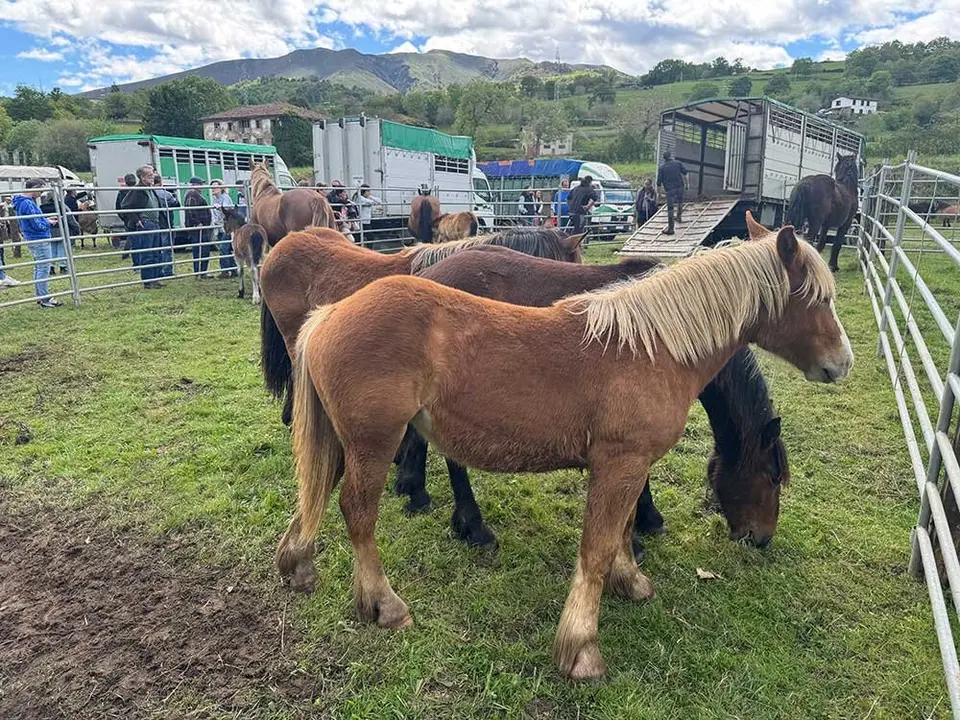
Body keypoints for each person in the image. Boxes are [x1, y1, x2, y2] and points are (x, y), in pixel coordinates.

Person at [13, 178, 62, 307]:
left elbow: (34, 220)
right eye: (41, 189)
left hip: (32, 237)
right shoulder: (28, 203)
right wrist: (48, 222)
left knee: (39, 267)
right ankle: (44, 298)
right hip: (39, 238)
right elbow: (37, 225)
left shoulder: (22, 202)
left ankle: (41, 296)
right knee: (43, 267)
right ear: (35, 187)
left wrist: (44, 219)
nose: (42, 193)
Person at [121, 164, 164, 289]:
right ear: (142, 177)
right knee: (147, 253)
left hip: (155, 223)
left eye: (152, 175)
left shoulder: (150, 189)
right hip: (146, 223)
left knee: (156, 252)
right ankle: (148, 281)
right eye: (149, 175)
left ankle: (155, 279)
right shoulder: (138, 190)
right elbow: (125, 205)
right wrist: (136, 220)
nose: (152, 177)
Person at [184, 177, 213, 277]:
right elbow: (191, 209)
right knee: (201, 249)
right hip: (198, 227)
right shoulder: (192, 194)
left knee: (202, 249)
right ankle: (200, 272)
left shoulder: (195, 194)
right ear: (194, 184)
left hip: (201, 226)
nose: (202, 186)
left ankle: (201, 271)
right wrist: (197, 222)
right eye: (200, 184)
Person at [210, 180, 238, 278]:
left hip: (228, 226)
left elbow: (226, 210)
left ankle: (225, 271)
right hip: (220, 226)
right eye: (212, 187)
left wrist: (220, 207)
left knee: (223, 248)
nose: (213, 189)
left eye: (215, 187)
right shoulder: (215, 199)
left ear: (221, 188)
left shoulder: (225, 197)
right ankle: (233, 270)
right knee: (226, 248)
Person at [656, 151, 688, 235]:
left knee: (670, 209)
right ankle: (679, 216)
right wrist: (687, 184)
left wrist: (659, 194)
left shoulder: (662, 168)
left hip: (670, 190)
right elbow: (685, 173)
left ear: (664, 158)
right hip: (680, 187)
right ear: (670, 156)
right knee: (680, 202)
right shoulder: (678, 163)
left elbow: (658, 183)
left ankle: (671, 229)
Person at [152, 175, 177, 279]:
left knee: (156, 248)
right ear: (160, 182)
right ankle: (167, 270)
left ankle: (158, 271)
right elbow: (176, 204)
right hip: (166, 224)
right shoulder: (166, 194)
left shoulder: (150, 193)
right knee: (167, 248)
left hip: (155, 224)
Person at [116, 173, 137, 256]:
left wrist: (123, 217)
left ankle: (127, 252)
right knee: (134, 236)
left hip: (126, 217)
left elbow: (117, 207)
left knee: (131, 234)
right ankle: (127, 252)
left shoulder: (121, 193)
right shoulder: (137, 191)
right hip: (136, 216)